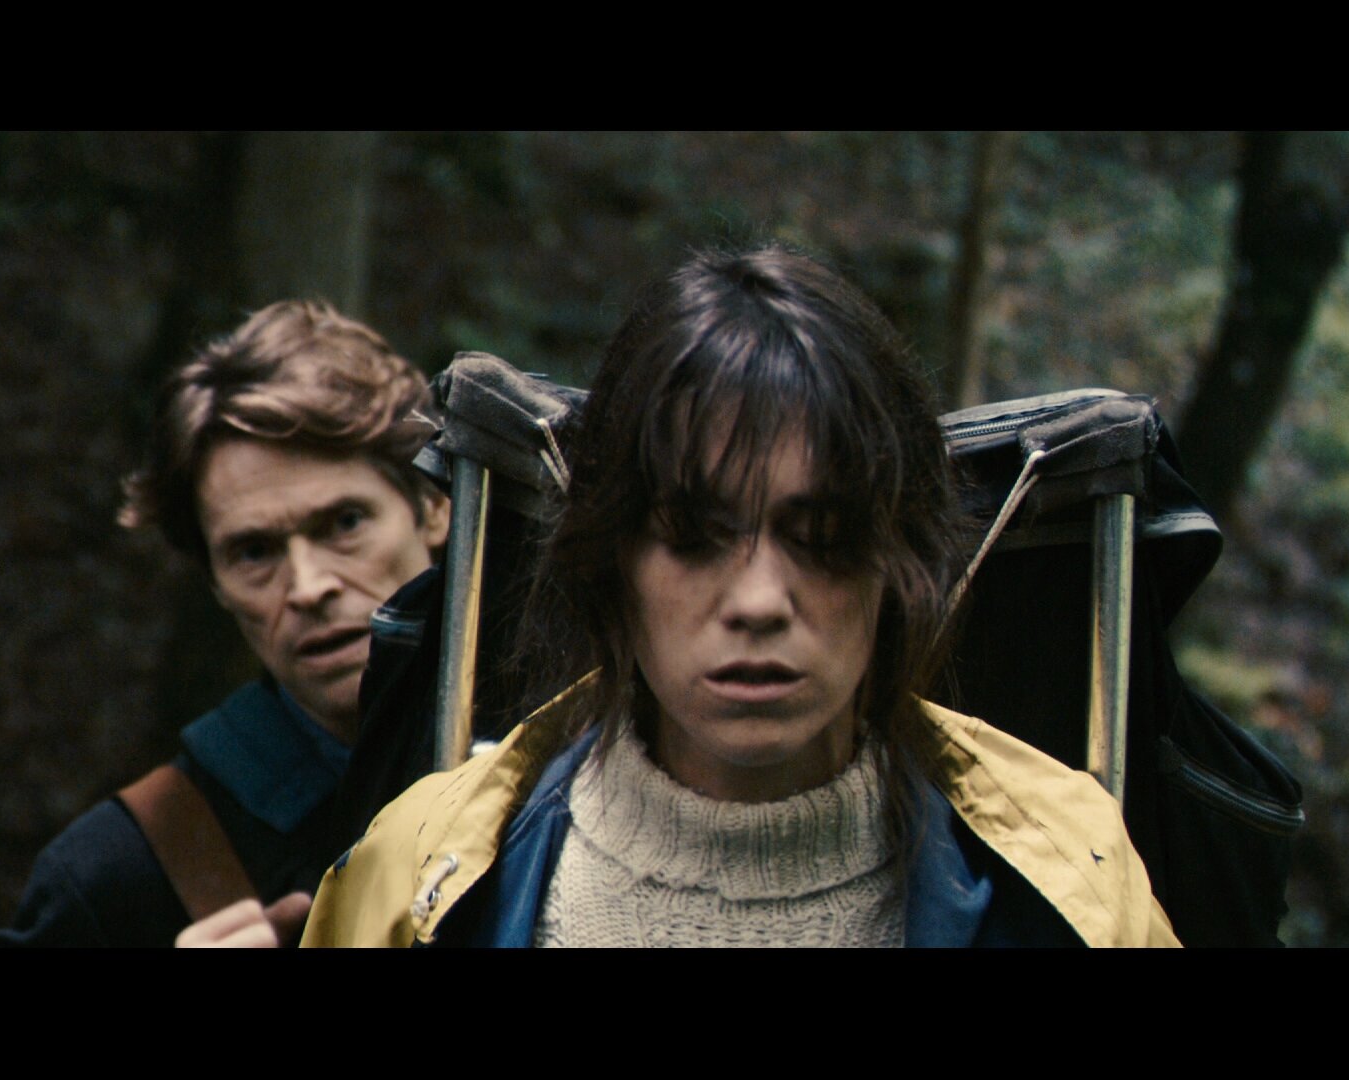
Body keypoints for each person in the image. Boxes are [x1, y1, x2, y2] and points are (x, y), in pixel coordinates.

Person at [301, 247, 1178, 947]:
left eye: (822, 536)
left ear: (896, 559)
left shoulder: (1070, 890)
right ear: (613, 563)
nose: (759, 600)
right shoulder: (417, 884)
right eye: (694, 535)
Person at [0, 300, 449, 947]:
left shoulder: (569, 766)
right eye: (254, 552)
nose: (309, 587)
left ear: (433, 508)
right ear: (215, 583)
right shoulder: (125, 870)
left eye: (344, 523)